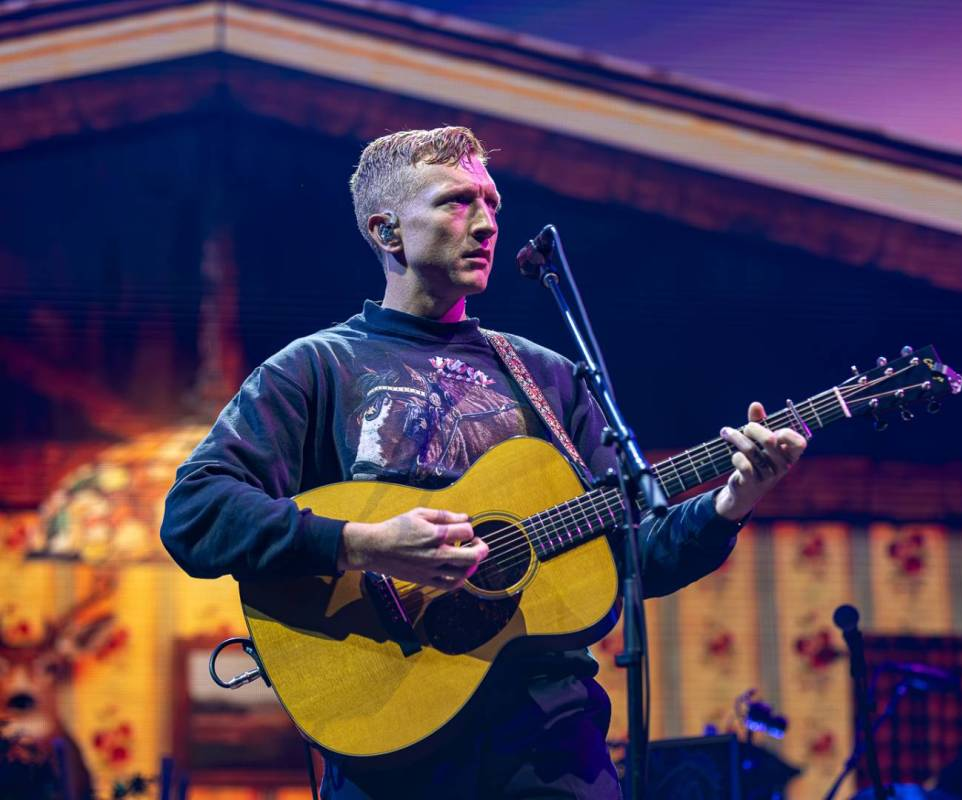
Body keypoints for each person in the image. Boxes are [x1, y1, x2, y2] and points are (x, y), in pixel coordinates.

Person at [160, 126, 806, 799]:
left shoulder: (548, 376)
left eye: (492, 203)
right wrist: (363, 545)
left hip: (553, 746)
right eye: (456, 203)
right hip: (392, 746)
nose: (487, 223)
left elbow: (638, 552)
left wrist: (733, 501)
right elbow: (196, 513)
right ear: (387, 232)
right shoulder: (316, 367)